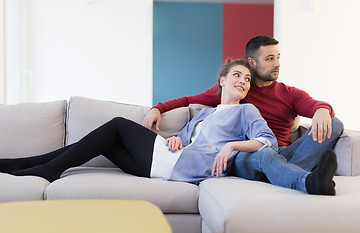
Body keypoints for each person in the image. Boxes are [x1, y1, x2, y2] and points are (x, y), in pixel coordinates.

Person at [0, 60, 278, 186]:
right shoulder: (206, 112)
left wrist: (230, 146)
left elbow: (269, 141)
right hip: (172, 159)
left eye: (247, 79)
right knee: (106, 143)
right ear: (223, 81)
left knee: (119, 125)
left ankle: (46, 169)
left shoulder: (247, 111)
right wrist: (176, 137)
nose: (243, 82)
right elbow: (183, 138)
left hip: (184, 167)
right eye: (237, 76)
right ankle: (23, 164)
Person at [142, 35, 344, 195]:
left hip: (284, 152)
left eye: (278, 58)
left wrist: (321, 110)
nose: (277, 64)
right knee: (264, 154)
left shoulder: (289, 93)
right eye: (270, 59)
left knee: (335, 124)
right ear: (252, 62)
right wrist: (157, 108)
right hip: (248, 154)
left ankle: (280, 173)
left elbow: (316, 105)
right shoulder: (236, 88)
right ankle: (303, 180)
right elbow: (188, 100)